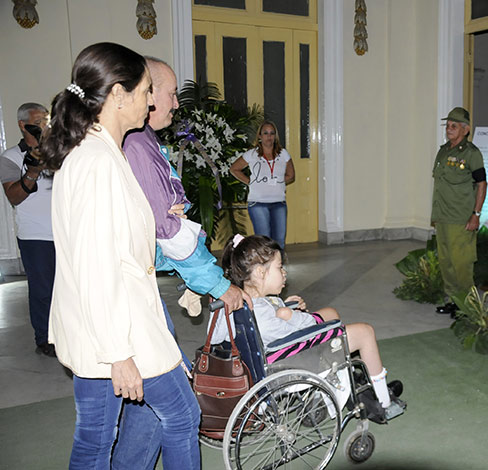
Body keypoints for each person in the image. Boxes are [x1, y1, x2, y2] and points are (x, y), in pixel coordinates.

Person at [38, 42, 200, 469]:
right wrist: (118, 354)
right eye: (146, 90)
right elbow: (96, 264)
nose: (151, 101)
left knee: (95, 440)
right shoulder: (97, 162)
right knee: (183, 416)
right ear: (117, 94)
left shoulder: (99, 152)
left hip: (103, 326)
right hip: (118, 331)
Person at [112, 56, 251, 468]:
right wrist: (218, 284)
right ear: (147, 94)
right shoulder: (138, 145)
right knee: (181, 409)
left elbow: (159, 228)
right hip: (131, 299)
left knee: (148, 411)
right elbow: (168, 232)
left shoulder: (144, 141)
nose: (177, 103)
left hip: (136, 290)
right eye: (171, 94)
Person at [215, 234, 404, 420]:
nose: (284, 273)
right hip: (287, 365)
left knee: (330, 313)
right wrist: (291, 314)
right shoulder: (263, 315)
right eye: (279, 268)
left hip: (267, 358)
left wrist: (283, 306)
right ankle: (384, 401)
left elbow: (223, 334)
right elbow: (305, 327)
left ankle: (331, 388)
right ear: (260, 273)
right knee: (365, 332)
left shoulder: (239, 303)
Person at [0, 103, 56, 356]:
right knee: (43, 291)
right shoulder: (10, 158)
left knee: (69, 288)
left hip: (66, 230)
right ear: (23, 125)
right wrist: (32, 172)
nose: (43, 124)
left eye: (46, 120)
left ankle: (69, 335)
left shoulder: (58, 152)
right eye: (38, 120)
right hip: (35, 235)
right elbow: (14, 196)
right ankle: (44, 339)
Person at [431, 107, 487, 316]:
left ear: (465, 129)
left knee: (462, 264)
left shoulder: (471, 154)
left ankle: (469, 306)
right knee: (446, 262)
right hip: (443, 216)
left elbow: (482, 184)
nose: (449, 129)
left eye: (454, 126)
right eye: (447, 125)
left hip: (461, 218)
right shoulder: (443, 151)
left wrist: (476, 214)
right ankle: (453, 301)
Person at [229, 120, 295, 249]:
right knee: (263, 241)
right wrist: (250, 182)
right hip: (258, 203)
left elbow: (291, 176)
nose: (269, 136)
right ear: (259, 136)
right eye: (265, 133)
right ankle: (265, 268)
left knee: (279, 241)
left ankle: (277, 267)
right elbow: (234, 169)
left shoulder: (283, 154)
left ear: (275, 136)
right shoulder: (252, 154)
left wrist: (277, 182)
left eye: (272, 133)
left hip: (279, 203)